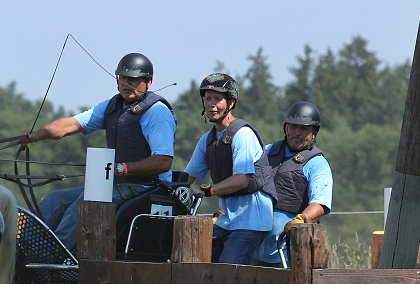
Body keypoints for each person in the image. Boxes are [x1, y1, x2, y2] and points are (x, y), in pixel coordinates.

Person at [20, 53, 177, 251]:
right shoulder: (112, 107)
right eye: (123, 78)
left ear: (148, 82)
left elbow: (163, 162)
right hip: (117, 185)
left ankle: (53, 255)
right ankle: (23, 250)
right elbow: (70, 124)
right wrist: (36, 135)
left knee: (85, 203)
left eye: (134, 79)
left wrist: (120, 169)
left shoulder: (157, 112)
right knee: (56, 199)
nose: (127, 83)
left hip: (148, 188)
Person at [183, 73, 275, 264]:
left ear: (231, 103)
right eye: (208, 98)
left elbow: (242, 179)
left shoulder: (243, 134)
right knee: (197, 261)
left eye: (218, 99)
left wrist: (206, 191)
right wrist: (170, 186)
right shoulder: (207, 140)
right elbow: (187, 177)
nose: (212, 104)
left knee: (227, 274)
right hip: (227, 220)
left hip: (251, 221)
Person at [251, 102, 333, 266]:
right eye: (294, 126)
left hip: (290, 251)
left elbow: (320, 204)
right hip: (253, 246)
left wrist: (301, 220)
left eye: (304, 129)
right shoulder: (265, 152)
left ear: (313, 134)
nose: (297, 132)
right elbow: (244, 185)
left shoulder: (317, 164)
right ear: (286, 127)